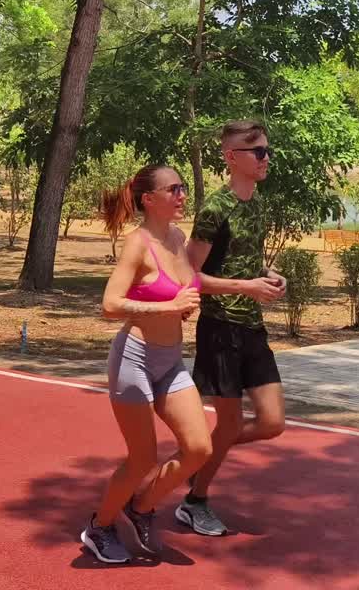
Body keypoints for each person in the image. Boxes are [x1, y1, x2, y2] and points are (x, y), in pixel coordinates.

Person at [80, 164, 214, 564]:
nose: (182, 195)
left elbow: (187, 287)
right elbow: (109, 305)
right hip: (134, 360)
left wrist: (183, 307)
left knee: (198, 448)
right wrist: (166, 306)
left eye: (183, 188)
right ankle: (99, 526)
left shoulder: (177, 237)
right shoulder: (138, 243)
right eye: (174, 189)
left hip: (171, 361)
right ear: (149, 200)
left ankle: (139, 509)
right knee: (141, 459)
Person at [177, 119, 287, 537]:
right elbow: (188, 276)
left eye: (267, 150)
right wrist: (246, 286)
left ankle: (193, 457)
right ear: (231, 158)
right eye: (257, 151)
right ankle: (195, 499)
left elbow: (245, 263)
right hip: (220, 327)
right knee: (225, 425)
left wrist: (270, 277)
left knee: (272, 422)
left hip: (252, 327)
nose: (265, 158)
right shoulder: (214, 209)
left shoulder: (256, 204)